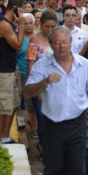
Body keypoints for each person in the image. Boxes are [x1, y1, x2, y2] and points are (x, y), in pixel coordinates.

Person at [25, 26, 88, 175]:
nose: (61, 46)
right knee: (53, 167)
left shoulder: (83, 64)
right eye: (57, 42)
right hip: (52, 124)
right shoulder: (42, 65)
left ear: (71, 43)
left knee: (77, 167)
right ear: (51, 44)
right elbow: (27, 92)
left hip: (77, 123)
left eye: (65, 41)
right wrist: (45, 82)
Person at [0, 0, 26, 143]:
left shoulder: (10, 23)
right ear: (15, 8)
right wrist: (22, 26)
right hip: (1, 73)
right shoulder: (4, 25)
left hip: (9, 71)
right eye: (21, 10)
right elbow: (17, 45)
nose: (22, 14)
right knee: (3, 110)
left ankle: (5, 137)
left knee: (14, 106)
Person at [27, 10, 59, 154]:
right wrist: (37, 87)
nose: (50, 30)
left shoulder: (59, 40)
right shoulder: (35, 41)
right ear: (41, 25)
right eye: (47, 26)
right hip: (41, 85)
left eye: (53, 27)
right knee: (42, 116)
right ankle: (42, 145)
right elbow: (31, 65)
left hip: (56, 85)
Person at [18, 13, 38, 139]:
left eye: (31, 23)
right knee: (30, 103)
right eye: (25, 23)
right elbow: (15, 54)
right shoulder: (19, 38)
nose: (29, 26)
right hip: (25, 73)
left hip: (40, 74)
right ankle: (34, 127)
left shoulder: (38, 36)